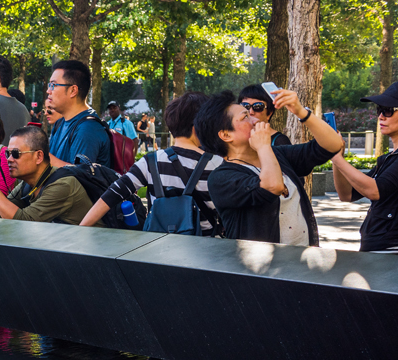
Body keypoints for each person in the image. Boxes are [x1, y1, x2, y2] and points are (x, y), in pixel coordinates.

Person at [196, 88, 344, 246]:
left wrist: (301, 112)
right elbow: (272, 186)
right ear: (226, 135)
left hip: (303, 261)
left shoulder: (279, 154)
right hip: (260, 269)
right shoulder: (221, 178)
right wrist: (263, 147)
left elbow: (333, 145)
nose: (254, 119)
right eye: (245, 117)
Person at [81, 92, 221, 233]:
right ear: (199, 125)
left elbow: (112, 194)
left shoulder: (150, 162)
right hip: (202, 250)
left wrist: (81, 230)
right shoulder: (217, 164)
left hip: (158, 249)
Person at [0, 125, 92, 225]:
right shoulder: (28, 184)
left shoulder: (62, 184)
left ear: (39, 156)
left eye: (16, 153)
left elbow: (23, 222)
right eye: (8, 153)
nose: (9, 159)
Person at [331, 82, 398, 253]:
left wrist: (337, 159)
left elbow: (375, 191)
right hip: (377, 250)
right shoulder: (388, 159)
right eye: (379, 110)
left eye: (388, 110)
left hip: (390, 252)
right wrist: (337, 156)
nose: (381, 117)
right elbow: (347, 194)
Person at [45, 59, 111, 168]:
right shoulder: (59, 123)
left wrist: (42, 157)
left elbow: (79, 178)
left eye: (53, 85)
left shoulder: (88, 129)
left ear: (73, 91)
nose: (48, 91)